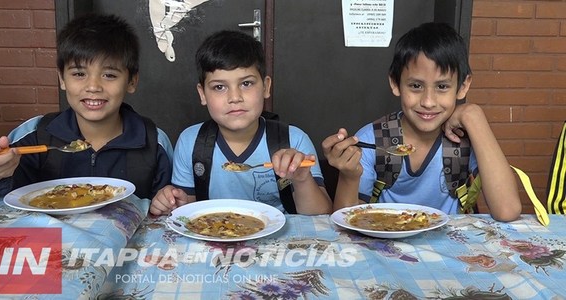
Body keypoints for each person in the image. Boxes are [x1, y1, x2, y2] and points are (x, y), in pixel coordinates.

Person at [322, 22, 521, 222]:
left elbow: (507, 210)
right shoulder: (372, 139)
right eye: (416, 86)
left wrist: (473, 114)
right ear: (395, 83)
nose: (428, 102)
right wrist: (349, 176)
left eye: (442, 86)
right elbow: (345, 222)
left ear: (463, 86)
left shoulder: (466, 139)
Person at [0, 13, 173, 200]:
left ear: (131, 82)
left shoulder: (154, 143)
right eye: (79, 74)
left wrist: (166, 202)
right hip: (51, 239)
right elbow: (0, 201)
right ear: (62, 79)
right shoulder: (35, 134)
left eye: (109, 75)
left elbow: (165, 210)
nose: (93, 87)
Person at [150, 30, 332, 215]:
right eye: (219, 87)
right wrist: (174, 201)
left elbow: (320, 215)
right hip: (214, 235)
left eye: (246, 84)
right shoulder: (191, 141)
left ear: (266, 87)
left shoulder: (293, 140)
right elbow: (188, 204)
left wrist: (301, 179)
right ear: (202, 94)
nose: (235, 97)